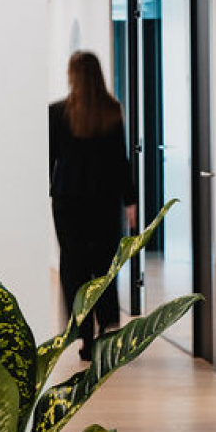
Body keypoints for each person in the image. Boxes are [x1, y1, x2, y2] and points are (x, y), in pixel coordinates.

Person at [49, 51, 137, 360]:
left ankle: (83, 333)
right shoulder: (112, 111)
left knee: (73, 267)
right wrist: (130, 201)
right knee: (104, 265)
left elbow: (50, 160)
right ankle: (107, 327)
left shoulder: (57, 112)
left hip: (68, 201)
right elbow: (120, 161)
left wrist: (49, 190)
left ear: (72, 74)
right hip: (105, 200)